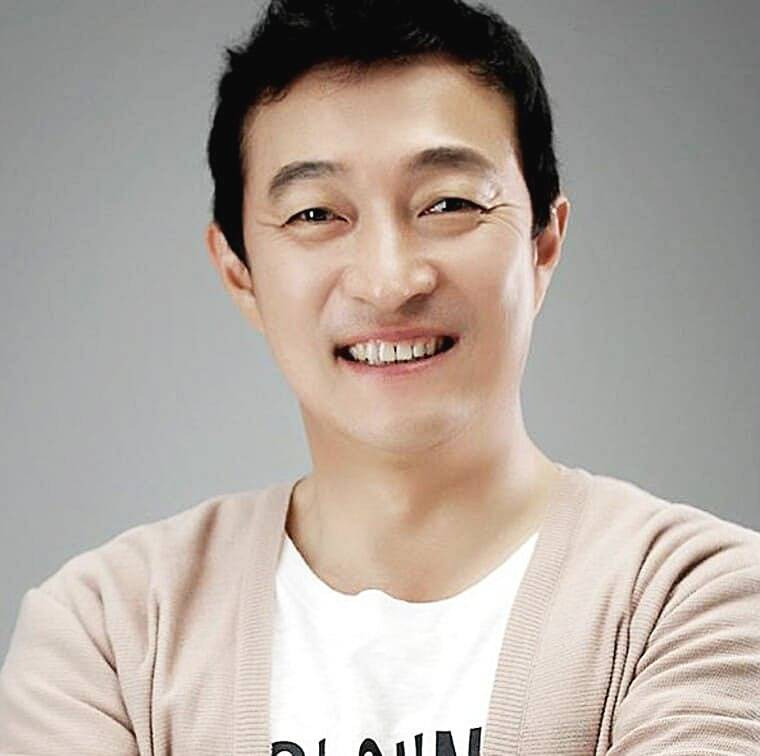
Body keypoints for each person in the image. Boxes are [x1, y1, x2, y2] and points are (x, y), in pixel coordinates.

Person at [1, 0, 759, 753]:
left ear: (542, 244)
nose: (389, 281)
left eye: (448, 203)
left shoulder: (696, 598)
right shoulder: (111, 631)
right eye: (314, 215)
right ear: (240, 273)